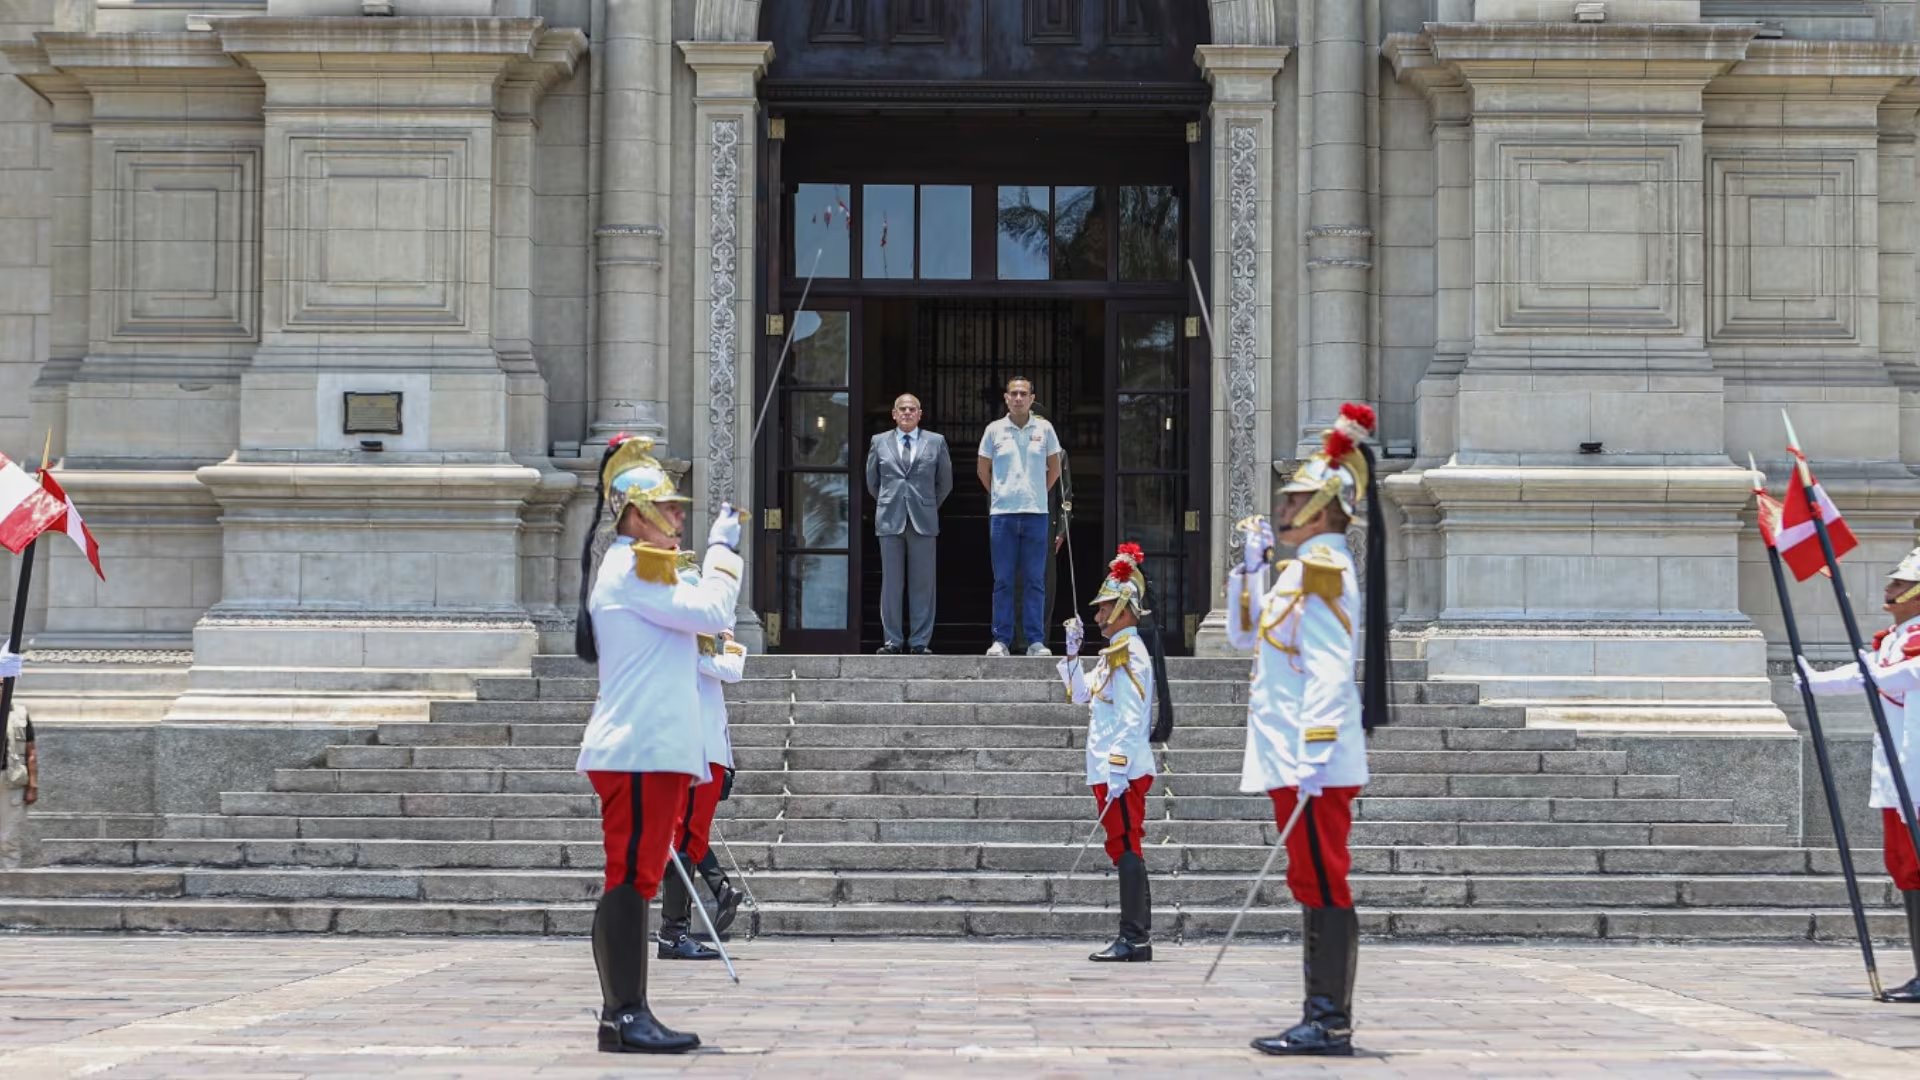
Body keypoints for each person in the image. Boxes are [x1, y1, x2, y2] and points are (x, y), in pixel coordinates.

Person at [1224, 402, 1387, 1057]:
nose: (1283, 508)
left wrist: (1314, 750)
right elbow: (1244, 635)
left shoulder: (1324, 570)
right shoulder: (1297, 570)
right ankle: (1320, 1013)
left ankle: (1329, 1020)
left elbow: (1326, 665)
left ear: (1324, 506)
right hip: (1292, 754)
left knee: (1324, 880)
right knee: (1310, 880)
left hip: (1309, 758)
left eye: (1294, 499)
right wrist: (1249, 569)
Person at [573, 435, 745, 1054]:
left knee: (633, 878)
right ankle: (623, 1014)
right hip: (640, 750)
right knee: (630, 879)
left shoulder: (641, 567)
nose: (679, 517)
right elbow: (716, 609)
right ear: (634, 515)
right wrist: (724, 550)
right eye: (667, 508)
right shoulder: (632, 567)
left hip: (653, 750)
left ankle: (625, 1011)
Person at [1797, 547, 1920, 1004]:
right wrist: (1815, 681)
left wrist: (1868, 677)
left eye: (1900, 585)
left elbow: (1901, 676)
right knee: (1908, 871)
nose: (1889, 590)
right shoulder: (1894, 638)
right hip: (1900, 774)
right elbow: (1869, 673)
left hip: (1919, 770)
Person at [1058, 544, 1159, 962]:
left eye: (1103, 610)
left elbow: (1132, 719)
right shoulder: (1111, 655)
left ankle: (1135, 937)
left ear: (1124, 609)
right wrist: (1071, 652)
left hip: (1122, 768)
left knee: (1126, 844)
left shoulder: (1129, 654)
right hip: (1107, 768)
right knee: (1123, 845)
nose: (1097, 616)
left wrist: (1117, 767)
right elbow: (1081, 696)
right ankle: (1136, 935)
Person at [656, 558, 749, 960]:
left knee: (691, 839)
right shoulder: (679, 640)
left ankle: (675, 932)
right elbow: (727, 667)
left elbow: (732, 667)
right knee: (683, 839)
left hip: (708, 750)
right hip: (688, 749)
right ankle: (672, 933)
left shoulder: (699, 639)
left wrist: (717, 641)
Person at [978, 376, 1061, 656]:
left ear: (1031, 397)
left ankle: (1035, 641)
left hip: (1036, 513)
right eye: (1013, 393)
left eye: (1023, 393)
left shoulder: (1046, 429)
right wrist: (1001, 493)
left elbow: (1055, 468)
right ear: (1005, 398)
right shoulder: (994, 430)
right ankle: (1001, 639)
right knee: (1003, 580)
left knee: (1035, 580)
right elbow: (983, 470)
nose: (1017, 398)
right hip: (1002, 515)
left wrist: (1035, 492)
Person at [866, 393, 952, 655]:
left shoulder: (936, 442)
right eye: (902, 409)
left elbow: (944, 483)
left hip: (923, 521)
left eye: (912, 409)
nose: (906, 412)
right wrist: (892, 502)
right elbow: (872, 482)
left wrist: (926, 504)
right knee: (891, 584)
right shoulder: (878, 442)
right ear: (894, 414)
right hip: (890, 520)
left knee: (923, 585)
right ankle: (892, 640)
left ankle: (919, 641)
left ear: (920, 414)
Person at [0, 648, 36, 871]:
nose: (1, 689)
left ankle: (8, 883)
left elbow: (31, 751)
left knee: (8, 836)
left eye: (4, 684)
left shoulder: (20, 713)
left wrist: (33, 785)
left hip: (10, 779)